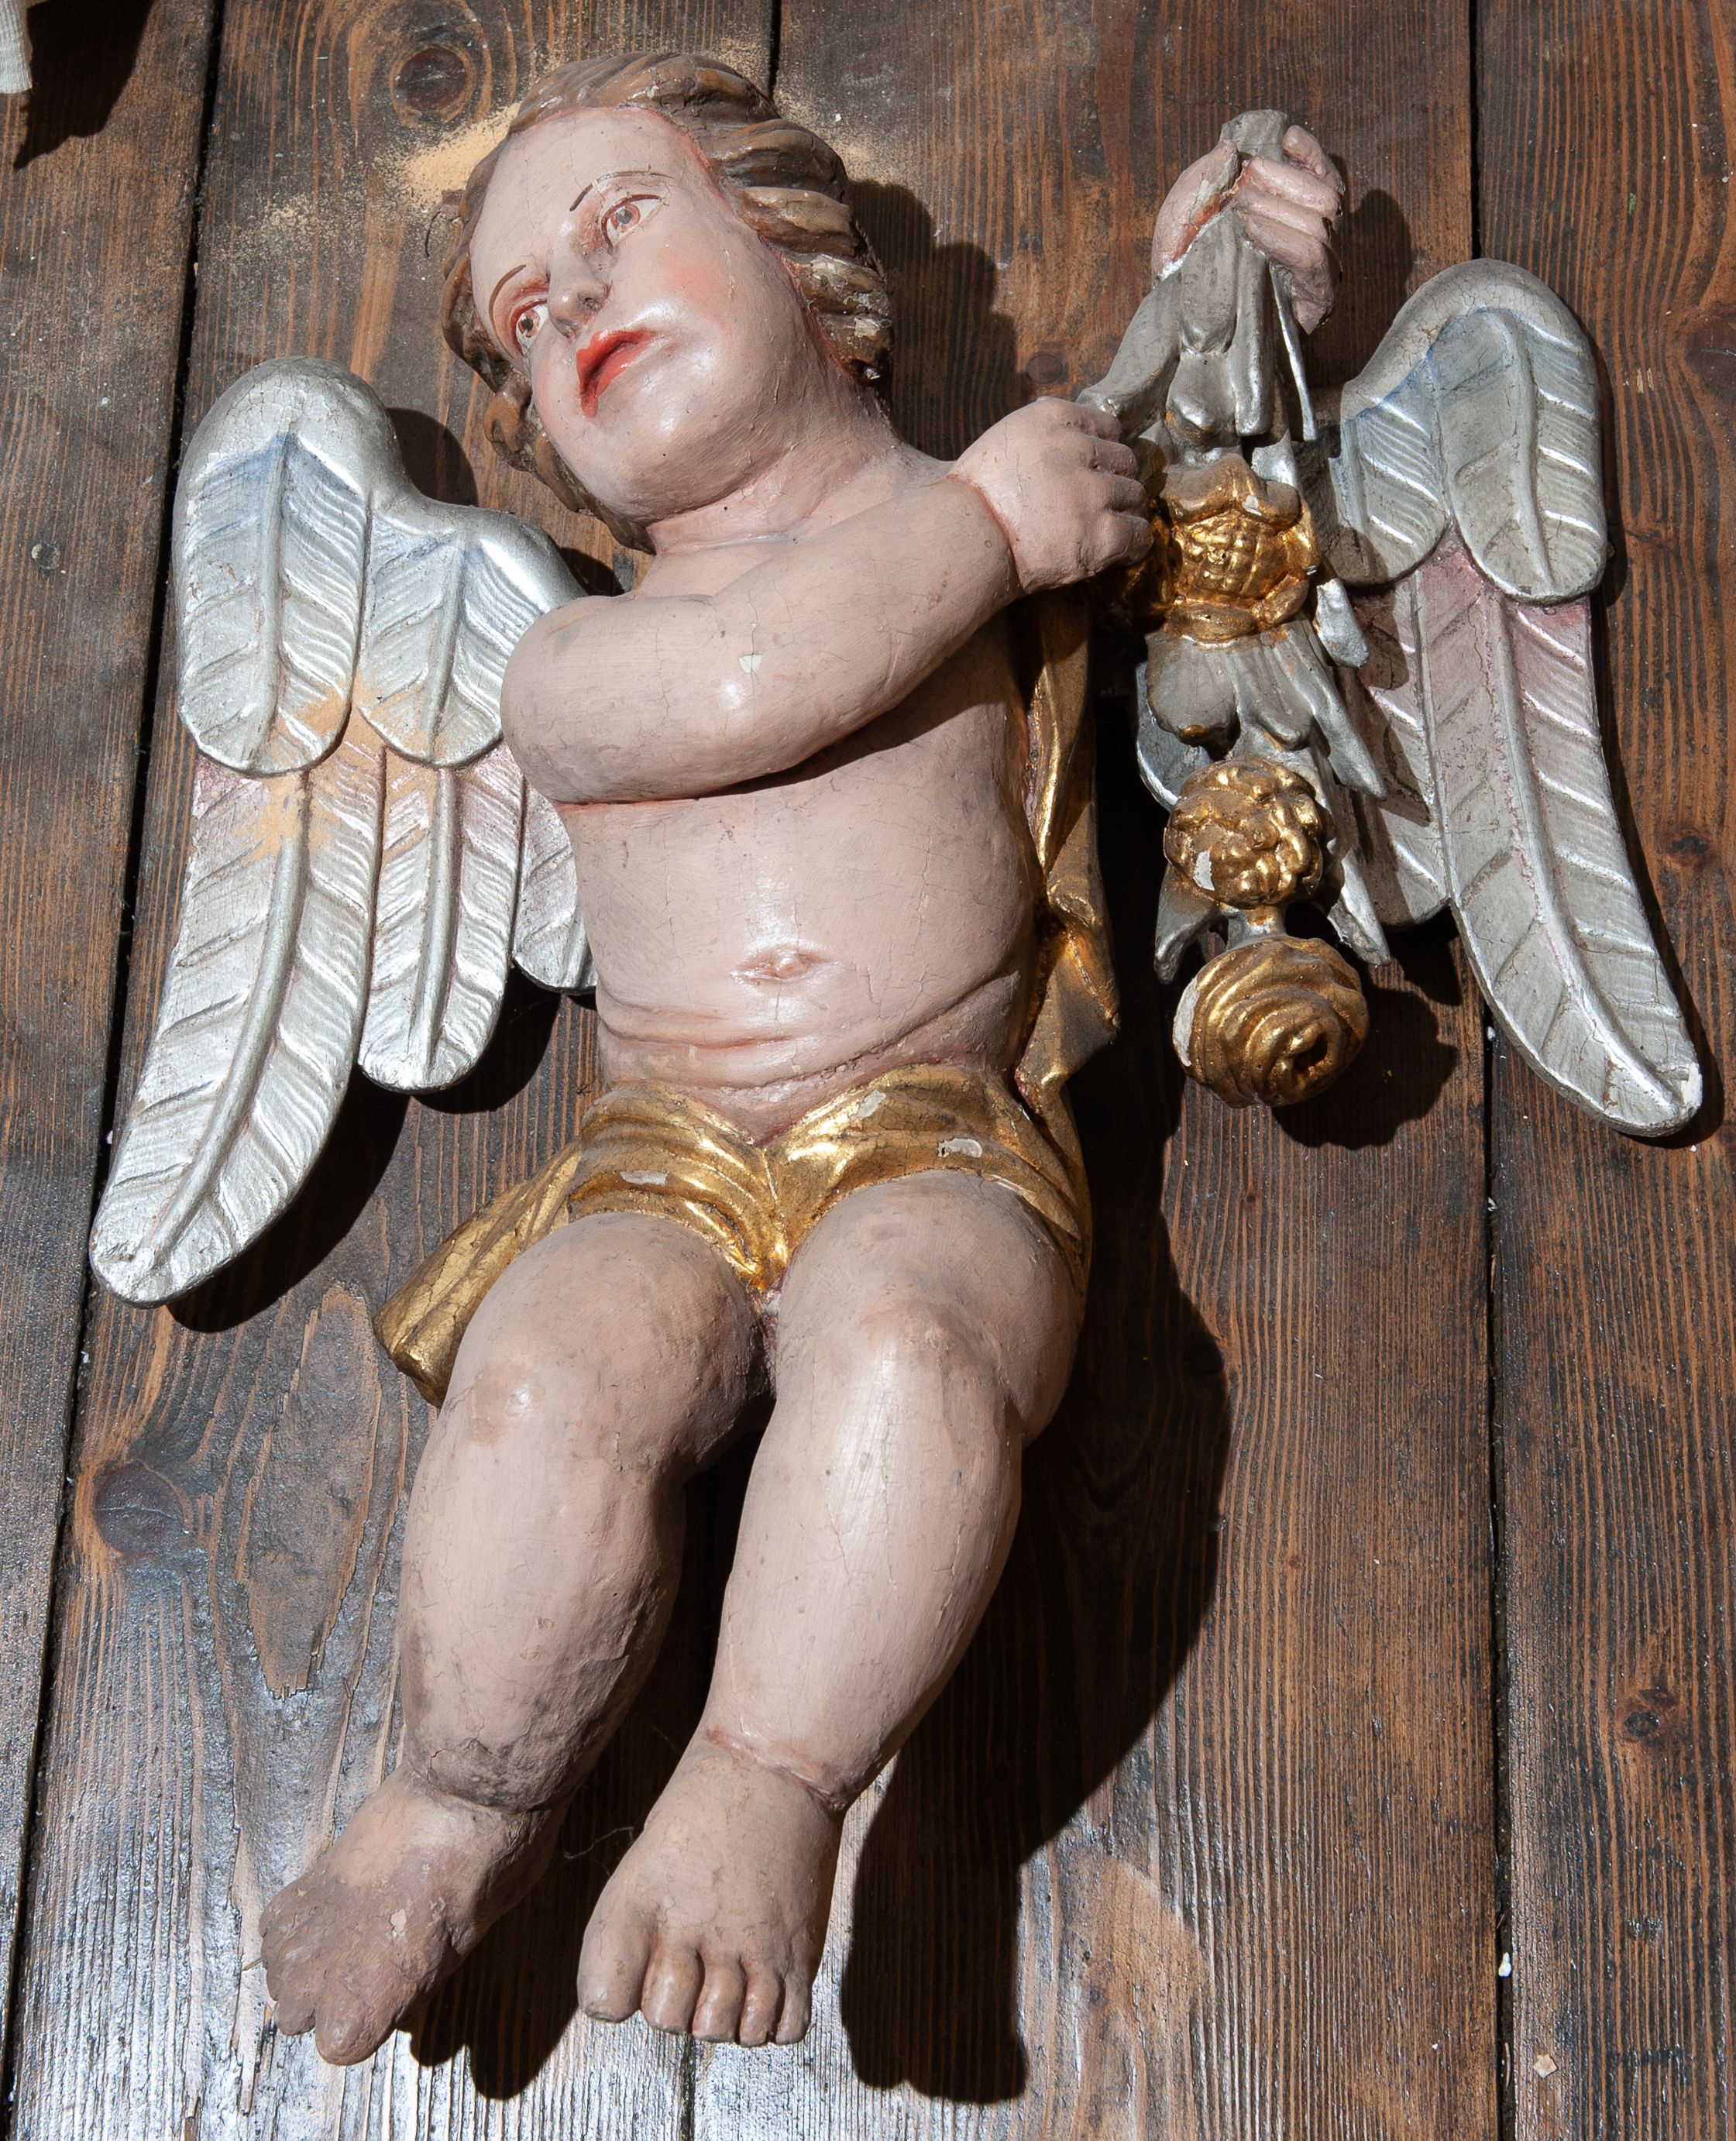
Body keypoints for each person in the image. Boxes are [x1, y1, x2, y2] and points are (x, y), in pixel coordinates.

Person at [260, 53, 1342, 2062]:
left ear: (796, 249)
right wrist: (992, 522)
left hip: (937, 1130)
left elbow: (1193, 477)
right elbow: (752, 678)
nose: (577, 302)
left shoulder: (1011, 517)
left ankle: (766, 1786)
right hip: (659, 1151)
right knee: (550, 1371)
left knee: (910, 1346)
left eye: (618, 228)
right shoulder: (575, 659)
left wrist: (1237, 273)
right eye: (527, 314)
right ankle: (451, 1806)